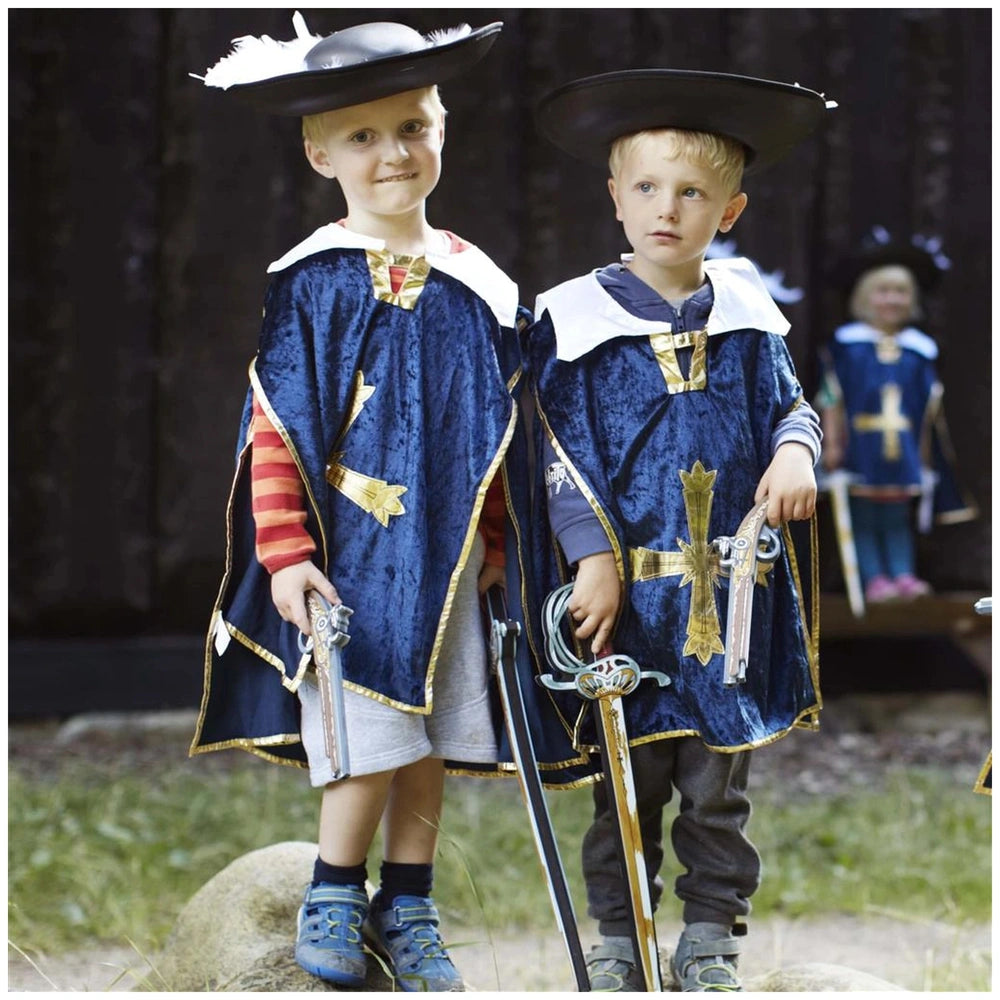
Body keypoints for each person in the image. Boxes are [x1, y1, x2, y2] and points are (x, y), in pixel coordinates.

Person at [189, 16, 535, 992]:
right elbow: (277, 425)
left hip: (453, 554)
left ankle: (409, 896)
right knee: (366, 728)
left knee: (432, 731)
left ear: (443, 127)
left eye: (414, 127)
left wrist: (500, 538)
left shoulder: (481, 283)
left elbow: (495, 429)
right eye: (365, 136)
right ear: (319, 152)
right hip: (353, 554)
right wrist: (288, 551)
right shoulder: (314, 279)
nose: (395, 152)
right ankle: (335, 886)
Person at [524, 69, 832, 991]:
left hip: (730, 597)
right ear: (615, 198)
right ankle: (619, 943)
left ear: (727, 210)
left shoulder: (746, 317)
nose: (669, 209)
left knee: (716, 784)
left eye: (692, 192)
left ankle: (709, 941)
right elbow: (555, 452)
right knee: (628, 780)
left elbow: (791, 408)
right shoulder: (574, 322)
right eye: (648, 188)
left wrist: (796, 452)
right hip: (628, 595)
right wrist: (591, 559)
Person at [816, 229, 978, 603]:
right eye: (882, 291)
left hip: (901, 451)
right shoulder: (847, 347)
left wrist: (925, 455)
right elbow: (831, 396)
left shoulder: (919, 352)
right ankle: (874, 580)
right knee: (864, 519)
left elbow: (928, 410)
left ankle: (903, 575)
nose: (892, 300)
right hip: (860, 450)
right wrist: (833, 442)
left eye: (900, 292)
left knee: (896, 520)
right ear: (864, 297)